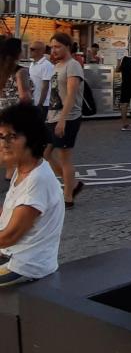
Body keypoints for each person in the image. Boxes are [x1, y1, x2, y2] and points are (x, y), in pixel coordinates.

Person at [0, 102, 64, 287]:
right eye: (1, 136)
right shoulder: (23, 170)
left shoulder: (37, 180)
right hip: (11, 254)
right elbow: (8, 215)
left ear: (32, 138)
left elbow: (9, 236)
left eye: (12, 136)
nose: (4, 144)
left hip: (24, 265)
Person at [44, 32, 85, 209]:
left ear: (67, 47)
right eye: (52, 47)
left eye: (57, 46)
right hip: (53, 116)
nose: (54, 50)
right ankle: (72, 184)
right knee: (45, 154)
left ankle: (68, 196)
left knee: (64, 157)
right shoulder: (57, 65)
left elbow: (71, 94)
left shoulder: (73, 65)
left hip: (68, 117)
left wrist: (62, 120)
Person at [1, 38, 32, 181]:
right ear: (18, 53)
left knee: (5, 142)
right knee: (18, 143)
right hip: (14, 113)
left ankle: (10, 172)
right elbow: (24, 96)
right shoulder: (21, 71)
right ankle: (13, 174)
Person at [28, 42, 52, 123]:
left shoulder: (47, 65)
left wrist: (40, 104)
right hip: (33, 102)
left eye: (32, 49)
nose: (30, 51)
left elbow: (46, 86)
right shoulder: (32, 64)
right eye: (30, 49)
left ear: (41, 51)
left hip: (42, 103)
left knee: (39, 128)